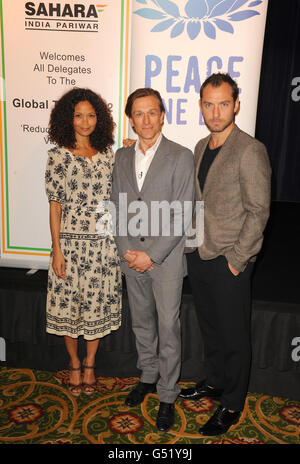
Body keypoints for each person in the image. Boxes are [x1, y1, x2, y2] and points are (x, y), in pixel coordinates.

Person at [179, 73, 271, 436]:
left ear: (236, 105)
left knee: (233, 336)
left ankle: (232, 403)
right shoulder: (201, 146)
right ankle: (214, 382)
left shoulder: (249, 150)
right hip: (200, 253)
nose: (215, 112)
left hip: (230, 259)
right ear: (201, 106)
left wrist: (237, 259)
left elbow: (259, 210)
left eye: (223, 103)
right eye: (208, 104)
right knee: (211, 327)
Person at [111, 88, 194, 432]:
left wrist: (152, 255)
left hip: (166, 260)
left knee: (167, 327)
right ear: (130, 120)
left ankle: (168, 393)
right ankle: (147, 374)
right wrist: (126, 251)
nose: (145, 120)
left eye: (152, 113)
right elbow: (114, 207)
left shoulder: (181, 155)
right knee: (141, 322)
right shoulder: (120, 155)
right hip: (131, 256)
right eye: (138, 114)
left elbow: (183, 212)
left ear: (162, 116)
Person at [45, 88, 122, 397]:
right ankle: (74, 363)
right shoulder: (58, 156)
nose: (86, 121)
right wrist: (57, 250)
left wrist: (129, 148)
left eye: (91, 115)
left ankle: (90, 363)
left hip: (103, 246)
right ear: (69, 118)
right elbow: (55, 206)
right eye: (79, 115)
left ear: (99, 118)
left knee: (95, 307)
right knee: (69, 308)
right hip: (71, 247)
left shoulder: (108, 155)